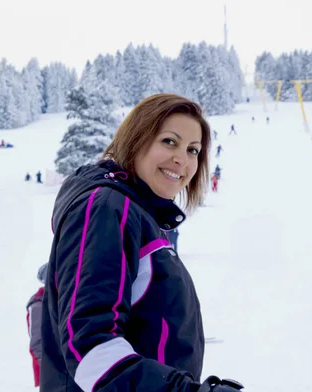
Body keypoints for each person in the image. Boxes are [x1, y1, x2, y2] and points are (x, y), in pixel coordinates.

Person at [39, 94, 244, 391]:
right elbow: (91, 348)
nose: (182, 160)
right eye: (169, 142)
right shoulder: (108, 209)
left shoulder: (137, 216)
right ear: (137, 138)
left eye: (193, 150)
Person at [26, 263, 48, 387]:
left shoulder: (55, 301)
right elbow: (37, 343)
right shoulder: (38, 305)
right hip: (51, 377)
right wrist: (49, 370)